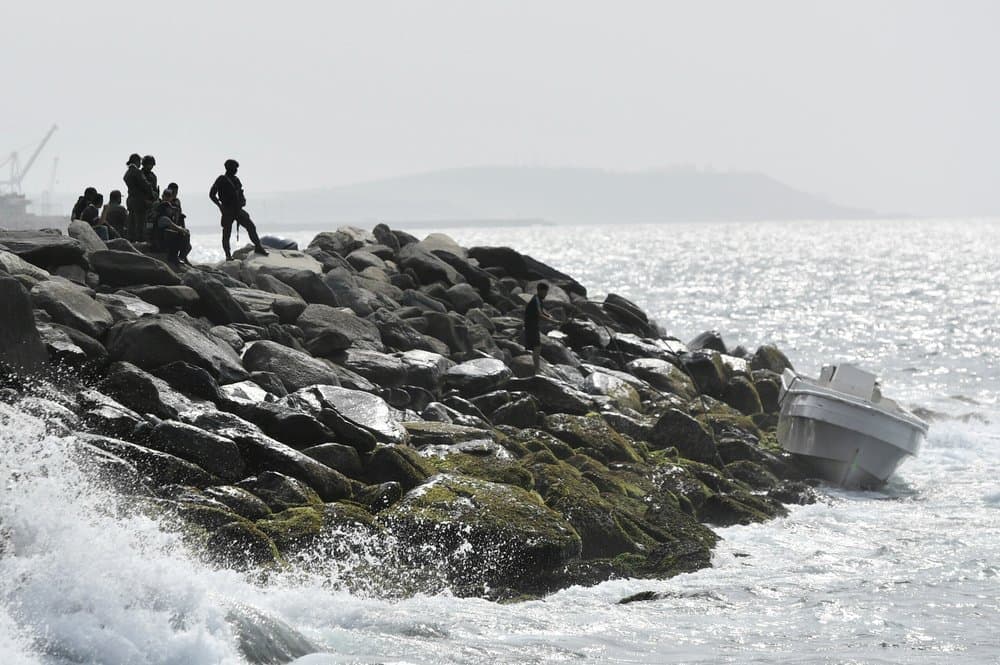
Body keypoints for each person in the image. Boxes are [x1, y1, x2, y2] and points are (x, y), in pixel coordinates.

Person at [209, 159, 268, 261]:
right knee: (226, 233)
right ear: (229, 168)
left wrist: (242, 200)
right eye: (234, 168)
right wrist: (219, 205)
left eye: (236, 168)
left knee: (251, 226)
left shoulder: (236, 180)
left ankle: (258, 246)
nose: (236, 170)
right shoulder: (221, 179)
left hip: (237, 209)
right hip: (227, 210)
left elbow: (240, 192)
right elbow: (212, 194)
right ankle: (228, 255)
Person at [151, 188, 191, 266]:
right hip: (160, 243)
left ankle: (180, 258)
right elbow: (176, 227)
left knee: (184, 240)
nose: (171, 211)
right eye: (170, 209)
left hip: (161, 241)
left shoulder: (163, 217)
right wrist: (184, 231)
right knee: (181, 235)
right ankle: (176, 257)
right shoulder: (163, 218)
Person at [123, 153, 157, 242]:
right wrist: (152, 197)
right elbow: (146, 186)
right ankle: (139, 239)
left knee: (136, 222)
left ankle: (137, 239)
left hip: (139, 201)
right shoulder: (138, 172)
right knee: (139, 223)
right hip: (141, 201)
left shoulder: (131, 172)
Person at [524, 282, 557, 374]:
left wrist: (549, 316)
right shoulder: (536, 300)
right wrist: (552, 321)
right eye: (545, 292)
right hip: (531, 326)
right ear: (540, 291)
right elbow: (539, 314)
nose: (546, 294)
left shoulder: (538, 299)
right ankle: (537, 370)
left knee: (536, 347)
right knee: (537, 347)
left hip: (532, 326)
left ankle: (536, 368)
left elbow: (542, 311)